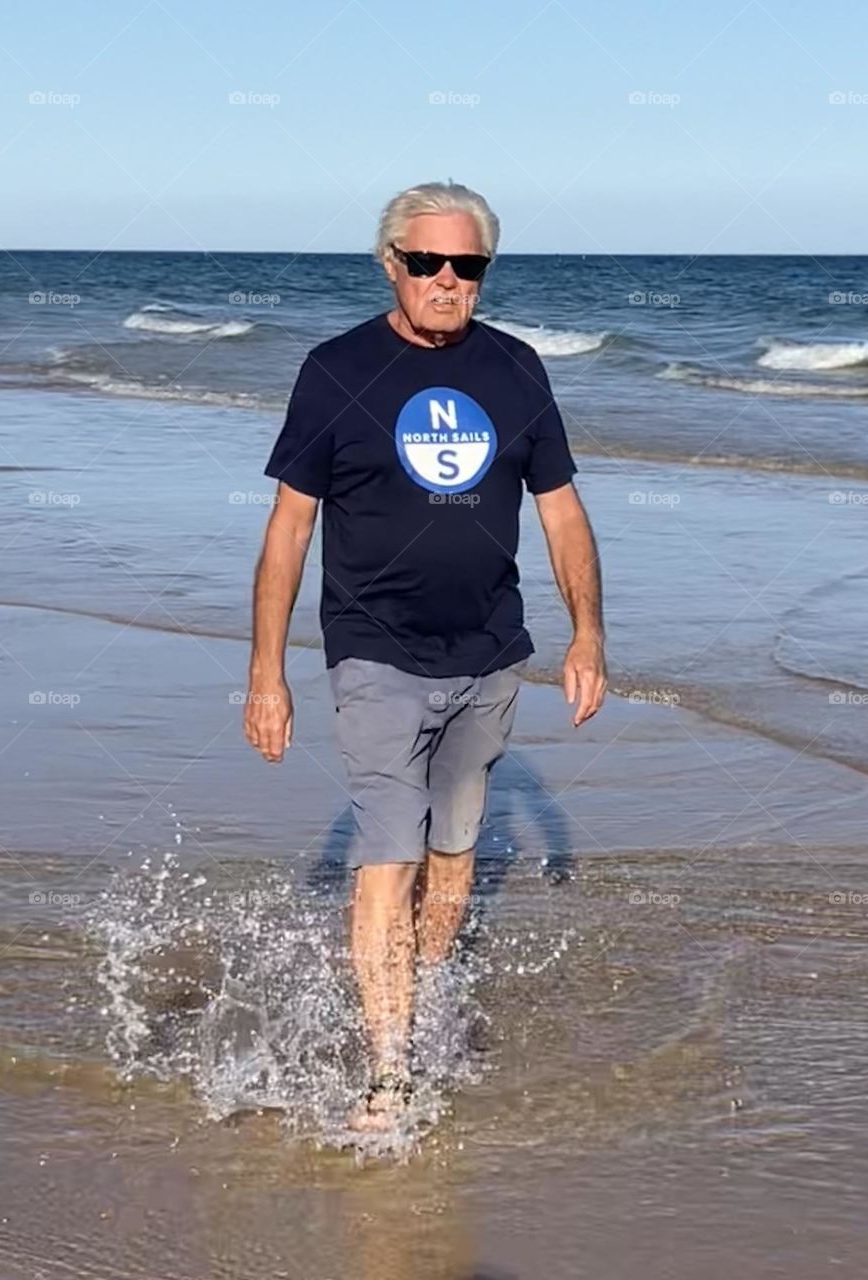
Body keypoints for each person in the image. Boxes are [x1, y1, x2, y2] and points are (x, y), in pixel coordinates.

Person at [244, 181, 607, 1131]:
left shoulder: (519, 370)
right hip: (375, 653)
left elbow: (561, 512)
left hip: (490, 655)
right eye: (427, 263)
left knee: (454, 855)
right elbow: (289, 529)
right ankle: (389, 1072)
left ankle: (423, 997)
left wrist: (589, 635)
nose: (447, 281)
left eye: (468, 266)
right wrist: (266, 674)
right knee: (388, 852)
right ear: (390, 264)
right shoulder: (335, 371)